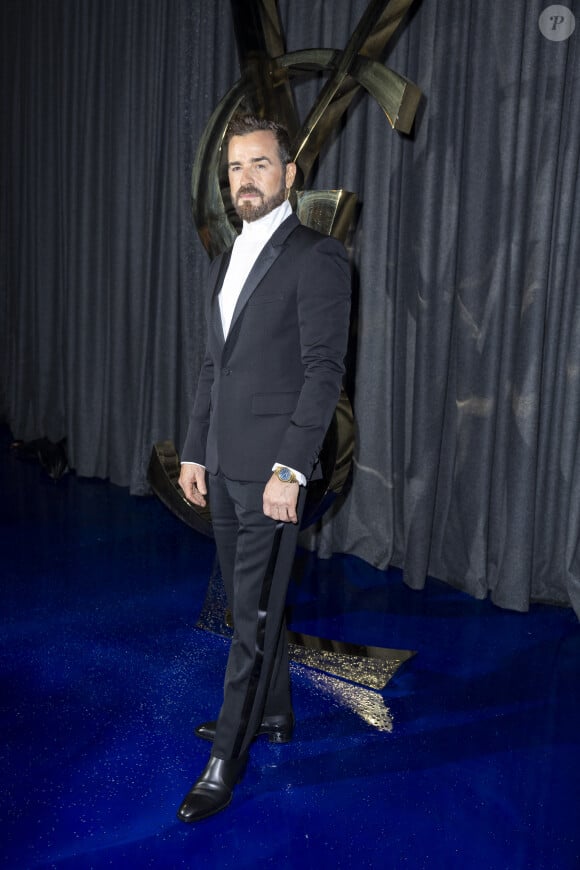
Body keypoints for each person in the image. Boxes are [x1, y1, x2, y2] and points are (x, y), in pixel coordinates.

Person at [176, 113, 351, 822]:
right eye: (234, 168)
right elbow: (215, 366)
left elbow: (323, 372)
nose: (243, 179)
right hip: (222, 463)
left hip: (274, 473)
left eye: (258, 165)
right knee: (256, 604)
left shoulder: (319, 256)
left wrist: (292, 468)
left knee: (246, 615)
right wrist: (194, 447)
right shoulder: (226, 256)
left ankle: (227, 754)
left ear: (288, 174)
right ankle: (273, 714)